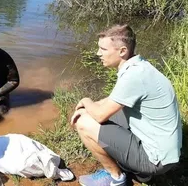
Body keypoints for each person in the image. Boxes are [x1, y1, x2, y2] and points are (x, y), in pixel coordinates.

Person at [71, 24, 182, 186]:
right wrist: (91, 106)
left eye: (103, 49)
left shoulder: (133, 76)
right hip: (165, 152)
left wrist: (86, 101)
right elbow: (112, 100)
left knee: (84, 123)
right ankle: (137, 170)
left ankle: (116, 178)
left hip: (156, 159)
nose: (98, 53)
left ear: (122, 51)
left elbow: (100, 115)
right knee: (109, 114)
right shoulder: (140, 67)